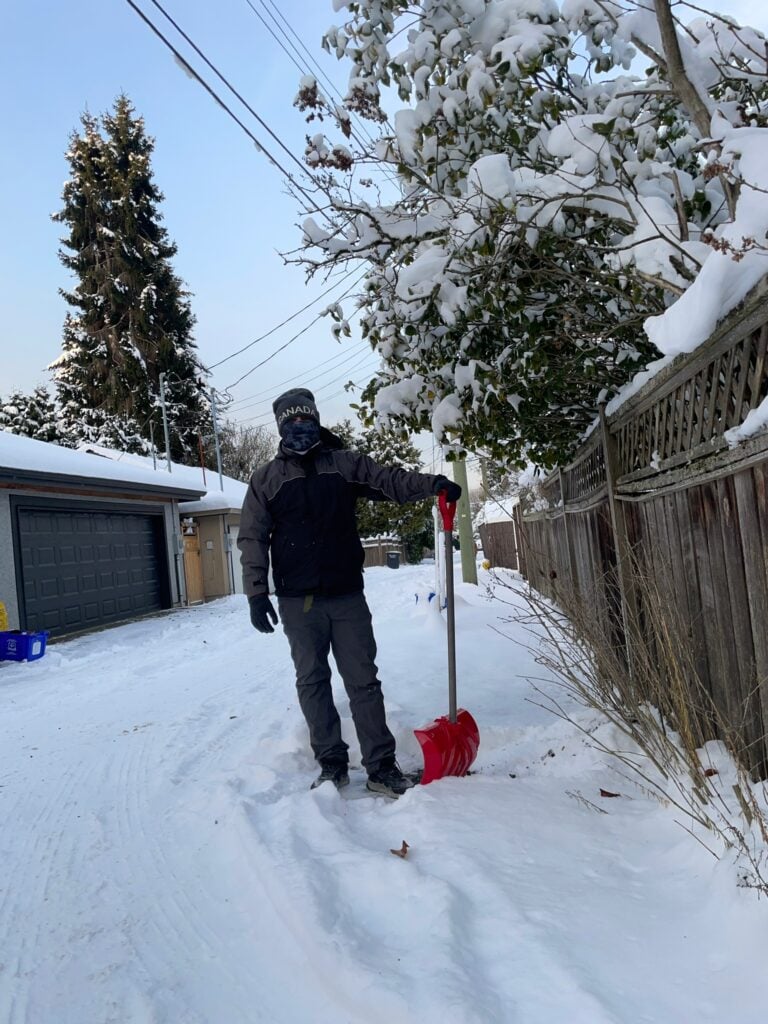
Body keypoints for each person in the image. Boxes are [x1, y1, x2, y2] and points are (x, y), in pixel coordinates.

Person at [238, 387, 462, 798]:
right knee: (312, 681)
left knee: (363, 681)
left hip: (345, 596)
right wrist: (256, 594)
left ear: (317, 421)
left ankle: (381, 767)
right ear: (281, 427)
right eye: (292, 422)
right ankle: (332, 764)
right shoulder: (266, 480)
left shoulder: (342, 464)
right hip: (297, 601)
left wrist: (433, 484)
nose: (301, 428)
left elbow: (389, 480)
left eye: (307, 420)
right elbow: (252, 537)